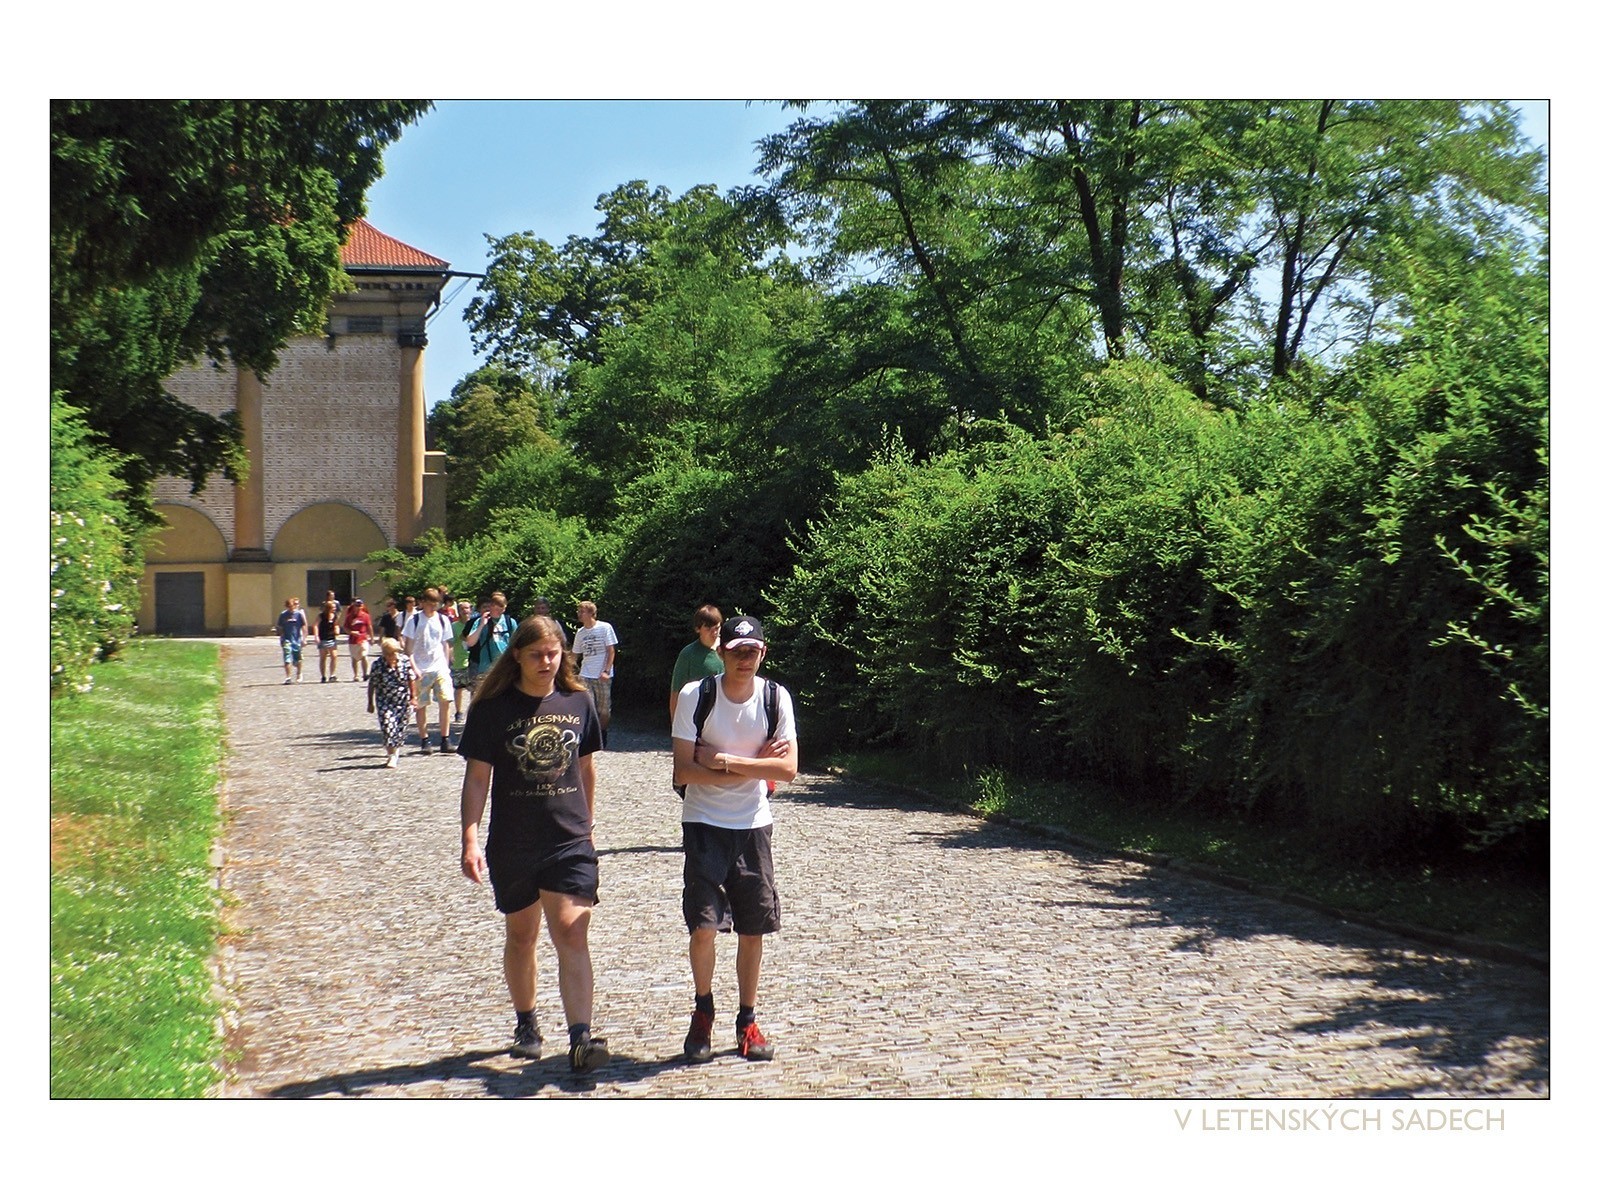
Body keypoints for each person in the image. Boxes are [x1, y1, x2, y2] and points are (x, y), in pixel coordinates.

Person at [458, 615, 611, 1072]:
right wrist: (470, 836)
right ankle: (526, 1023)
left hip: (568, 838)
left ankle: (581, 1039)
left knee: (571, 930)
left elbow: (586, 767)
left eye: (553, 653)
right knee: (522, 936)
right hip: (514, 841)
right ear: (518, 656)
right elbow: (477, 778)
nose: (546, 662)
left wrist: (588, 823)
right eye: (536, 655)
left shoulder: (578, 701)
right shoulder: (492, 709)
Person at [670, 615, 797, 1063]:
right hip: (704, 823)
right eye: (737, 651)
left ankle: (747, 1020)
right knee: (703, 926)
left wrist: (723, 761)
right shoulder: (697, 695)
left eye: (752, 651)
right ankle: (703, 1010)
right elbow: (683, 771)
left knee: (752, 928)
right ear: (722, 652)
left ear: (763, 653)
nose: (745, 659)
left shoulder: (775, 698)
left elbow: (788, 769)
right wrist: (755, 765)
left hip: (753, 825)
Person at [402, 587, 454, 754]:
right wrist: (414, 668)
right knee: (421, 705)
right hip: (420, 668)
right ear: (423, 602)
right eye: (430, 603)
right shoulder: (414, 620)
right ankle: (425, 740)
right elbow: (408, 648)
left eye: (435, 603)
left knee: (445, 701)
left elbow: (445, 643)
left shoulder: (443, 620)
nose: (433, 607)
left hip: (439, 667)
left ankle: (445, 739)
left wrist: (446, 665)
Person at [367, 637, 418, 768]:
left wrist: (413, 697)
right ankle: (392, 756)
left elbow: (411, 679)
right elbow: (372, 684)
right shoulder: (378, 665)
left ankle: (396, 750)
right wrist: (370, 702)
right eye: (388, 654)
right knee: (388, 725)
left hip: (402, 701)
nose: (391, 656)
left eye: (393, 653)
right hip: (384, 701)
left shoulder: (405, 661)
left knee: (400, 728)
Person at [571, 601, 619, 737]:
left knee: (604, 710)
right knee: (588, 706)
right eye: (579, 611)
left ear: (591, 613)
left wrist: (606, 671)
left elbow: (611, 651)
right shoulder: (580, 633)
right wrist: (568, 671)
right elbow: (575, 655)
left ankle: (602, 734)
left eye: (582, 611)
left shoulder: (605, 627)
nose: (579, 614)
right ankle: (590, 736)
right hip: (585, 674)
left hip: (602, 674)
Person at [668, 604, 723, 722]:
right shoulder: (688, 654)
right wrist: (675, 725)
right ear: (698, 629)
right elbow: (676, 692)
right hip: (697, 717)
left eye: (717, 628)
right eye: (708, 629)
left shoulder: (728, 650)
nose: (714, 633)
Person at [465, 592, 517, 682]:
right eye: (495, 607)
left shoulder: (510, 622)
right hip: (486, 669)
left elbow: (517, 644)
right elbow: (470, 642)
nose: (498, 611)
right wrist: (482, 625)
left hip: (505, 668)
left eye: (501, 608)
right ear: (490, 606)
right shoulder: (480, 621)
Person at [450, 599, 475, 727]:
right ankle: (459, 712)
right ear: (458, 611)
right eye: (462, 609)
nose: (465, 611)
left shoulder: (475, 624)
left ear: (471, 609)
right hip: (459, 661)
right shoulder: (454, 626)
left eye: (467, 608)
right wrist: (450, 656)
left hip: (473, 660)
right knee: (459, 688)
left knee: (473, 689)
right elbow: (450, 643)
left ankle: (472, 712)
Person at [274, 597, 307, 684]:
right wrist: (281, 637)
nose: (291, 608)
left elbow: (304, 626)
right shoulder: (283, 615)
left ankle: (299, 674)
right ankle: (288, 677)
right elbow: (280, 627)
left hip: (297, 639)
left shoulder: (299, 614)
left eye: (292, 606)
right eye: (288, 606)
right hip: (287, 640)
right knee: (287, 657)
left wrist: (304, 638)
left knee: (298, 658)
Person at [343, 598, 373, 682]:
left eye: (360, 605)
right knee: (354, 658)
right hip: (353, 641)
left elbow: (369, 627)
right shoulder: (349, 617)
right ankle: (355, 675)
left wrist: (371, 637)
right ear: (354, 606)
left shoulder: (366, 616)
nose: (358, 607)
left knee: (364, 656)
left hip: (363, 639)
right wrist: (352, 632)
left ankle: (365, 674)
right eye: (357, 605)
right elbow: (345, 628)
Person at [315, 599, 341, 683]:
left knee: (334, 656)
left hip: (332, 638)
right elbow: (316, 625)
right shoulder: (321, 616)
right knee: (323, 658)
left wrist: (337, 630)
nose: (334, 609)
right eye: (333, 607)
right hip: (323, 638)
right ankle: (323, 676)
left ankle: (332, 675)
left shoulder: (335, 616)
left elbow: (336, 624)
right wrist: (316, 636)